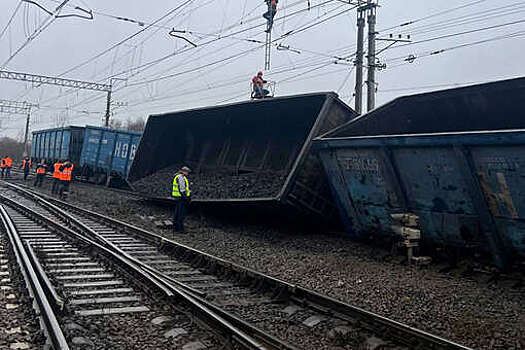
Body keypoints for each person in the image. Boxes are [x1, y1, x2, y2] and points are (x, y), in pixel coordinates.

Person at [172, 166, 191, 233]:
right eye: (187, 172)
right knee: (181, 213)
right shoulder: (180, 177)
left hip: (179, 197)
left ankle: (175, 227)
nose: (188, 173)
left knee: (177, 212)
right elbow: (182, 189)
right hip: (181, 198)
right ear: (183, 171)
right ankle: (180, 229)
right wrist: (186, 198)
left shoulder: (179, 177)